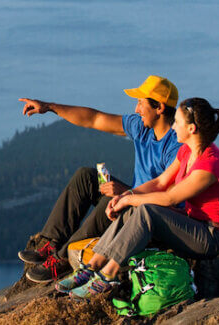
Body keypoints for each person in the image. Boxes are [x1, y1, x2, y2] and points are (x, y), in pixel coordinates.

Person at [54, 97, 219, 299]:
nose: (173, 127)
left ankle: (107, 276)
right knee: (134, 207)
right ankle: (92, 266)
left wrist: (130, 199)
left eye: (178, 122)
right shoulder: (186, 151)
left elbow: (170, 198)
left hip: (211, 237)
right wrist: (127, 196)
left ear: (191, 129)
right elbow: (160, 182)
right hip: (191, 223)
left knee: (147, 210)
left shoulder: (210, 164)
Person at [16, 75, 181, 283]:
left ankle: (61, 261)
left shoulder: (176, 146)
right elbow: (94, 118)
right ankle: (51, 243)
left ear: (160, 108)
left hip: (150, 214)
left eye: (141, 102)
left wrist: (126, 193)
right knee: (86, 177)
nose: (137, 109)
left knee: (110, 205)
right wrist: (49, 107)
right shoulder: (142, 128)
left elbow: (169, 198)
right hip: (132, 195)